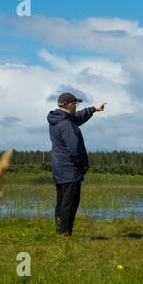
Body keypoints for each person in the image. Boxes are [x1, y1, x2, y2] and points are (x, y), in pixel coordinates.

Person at [47, 91, 106, 236]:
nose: (77, 107)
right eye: (76, 104)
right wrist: (82, 165)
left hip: (59, 169)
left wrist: (93, 109)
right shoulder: (66, 124)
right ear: (69, 104)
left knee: (61, 203)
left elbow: (77, 117)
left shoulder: (58, 119)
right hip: (70, 170)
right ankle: (65, 234)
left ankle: (60, 232)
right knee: (69, 204)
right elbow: (75, 148)